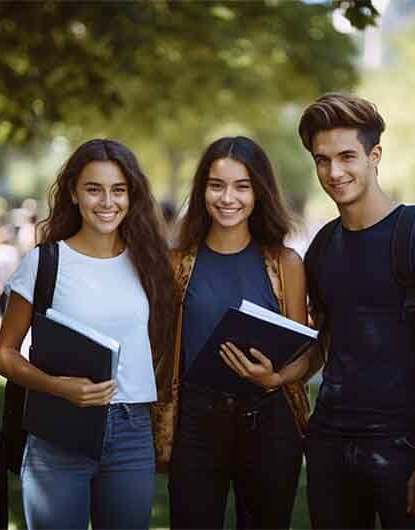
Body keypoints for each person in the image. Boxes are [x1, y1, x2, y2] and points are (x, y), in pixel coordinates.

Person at [297, 93, 415, 529]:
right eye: (322, 160)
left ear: (375, 156)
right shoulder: (322, 246)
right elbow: (326, 340)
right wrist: (279, 374)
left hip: (405, 448)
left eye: (347, 156)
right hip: (330, 444)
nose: (334, 172)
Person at [0, 139, 175, 529]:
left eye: (118, 190)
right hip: (58, 428)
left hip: (130, 431)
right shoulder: (44, 262)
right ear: (74, 193)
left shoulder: (150, 262)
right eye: (94, 189)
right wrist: (58, 386)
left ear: (132, 196)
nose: (107, 202)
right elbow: (3, 354)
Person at [161, 136, 310, 529]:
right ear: (202, 190)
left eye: (242, 186)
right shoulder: (176, 262)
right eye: (217, 185)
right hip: (196, 422)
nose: (228, 198)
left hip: (270, 420)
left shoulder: (286, 263)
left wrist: (275, 378)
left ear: (260, 192)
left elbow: (307, 353)